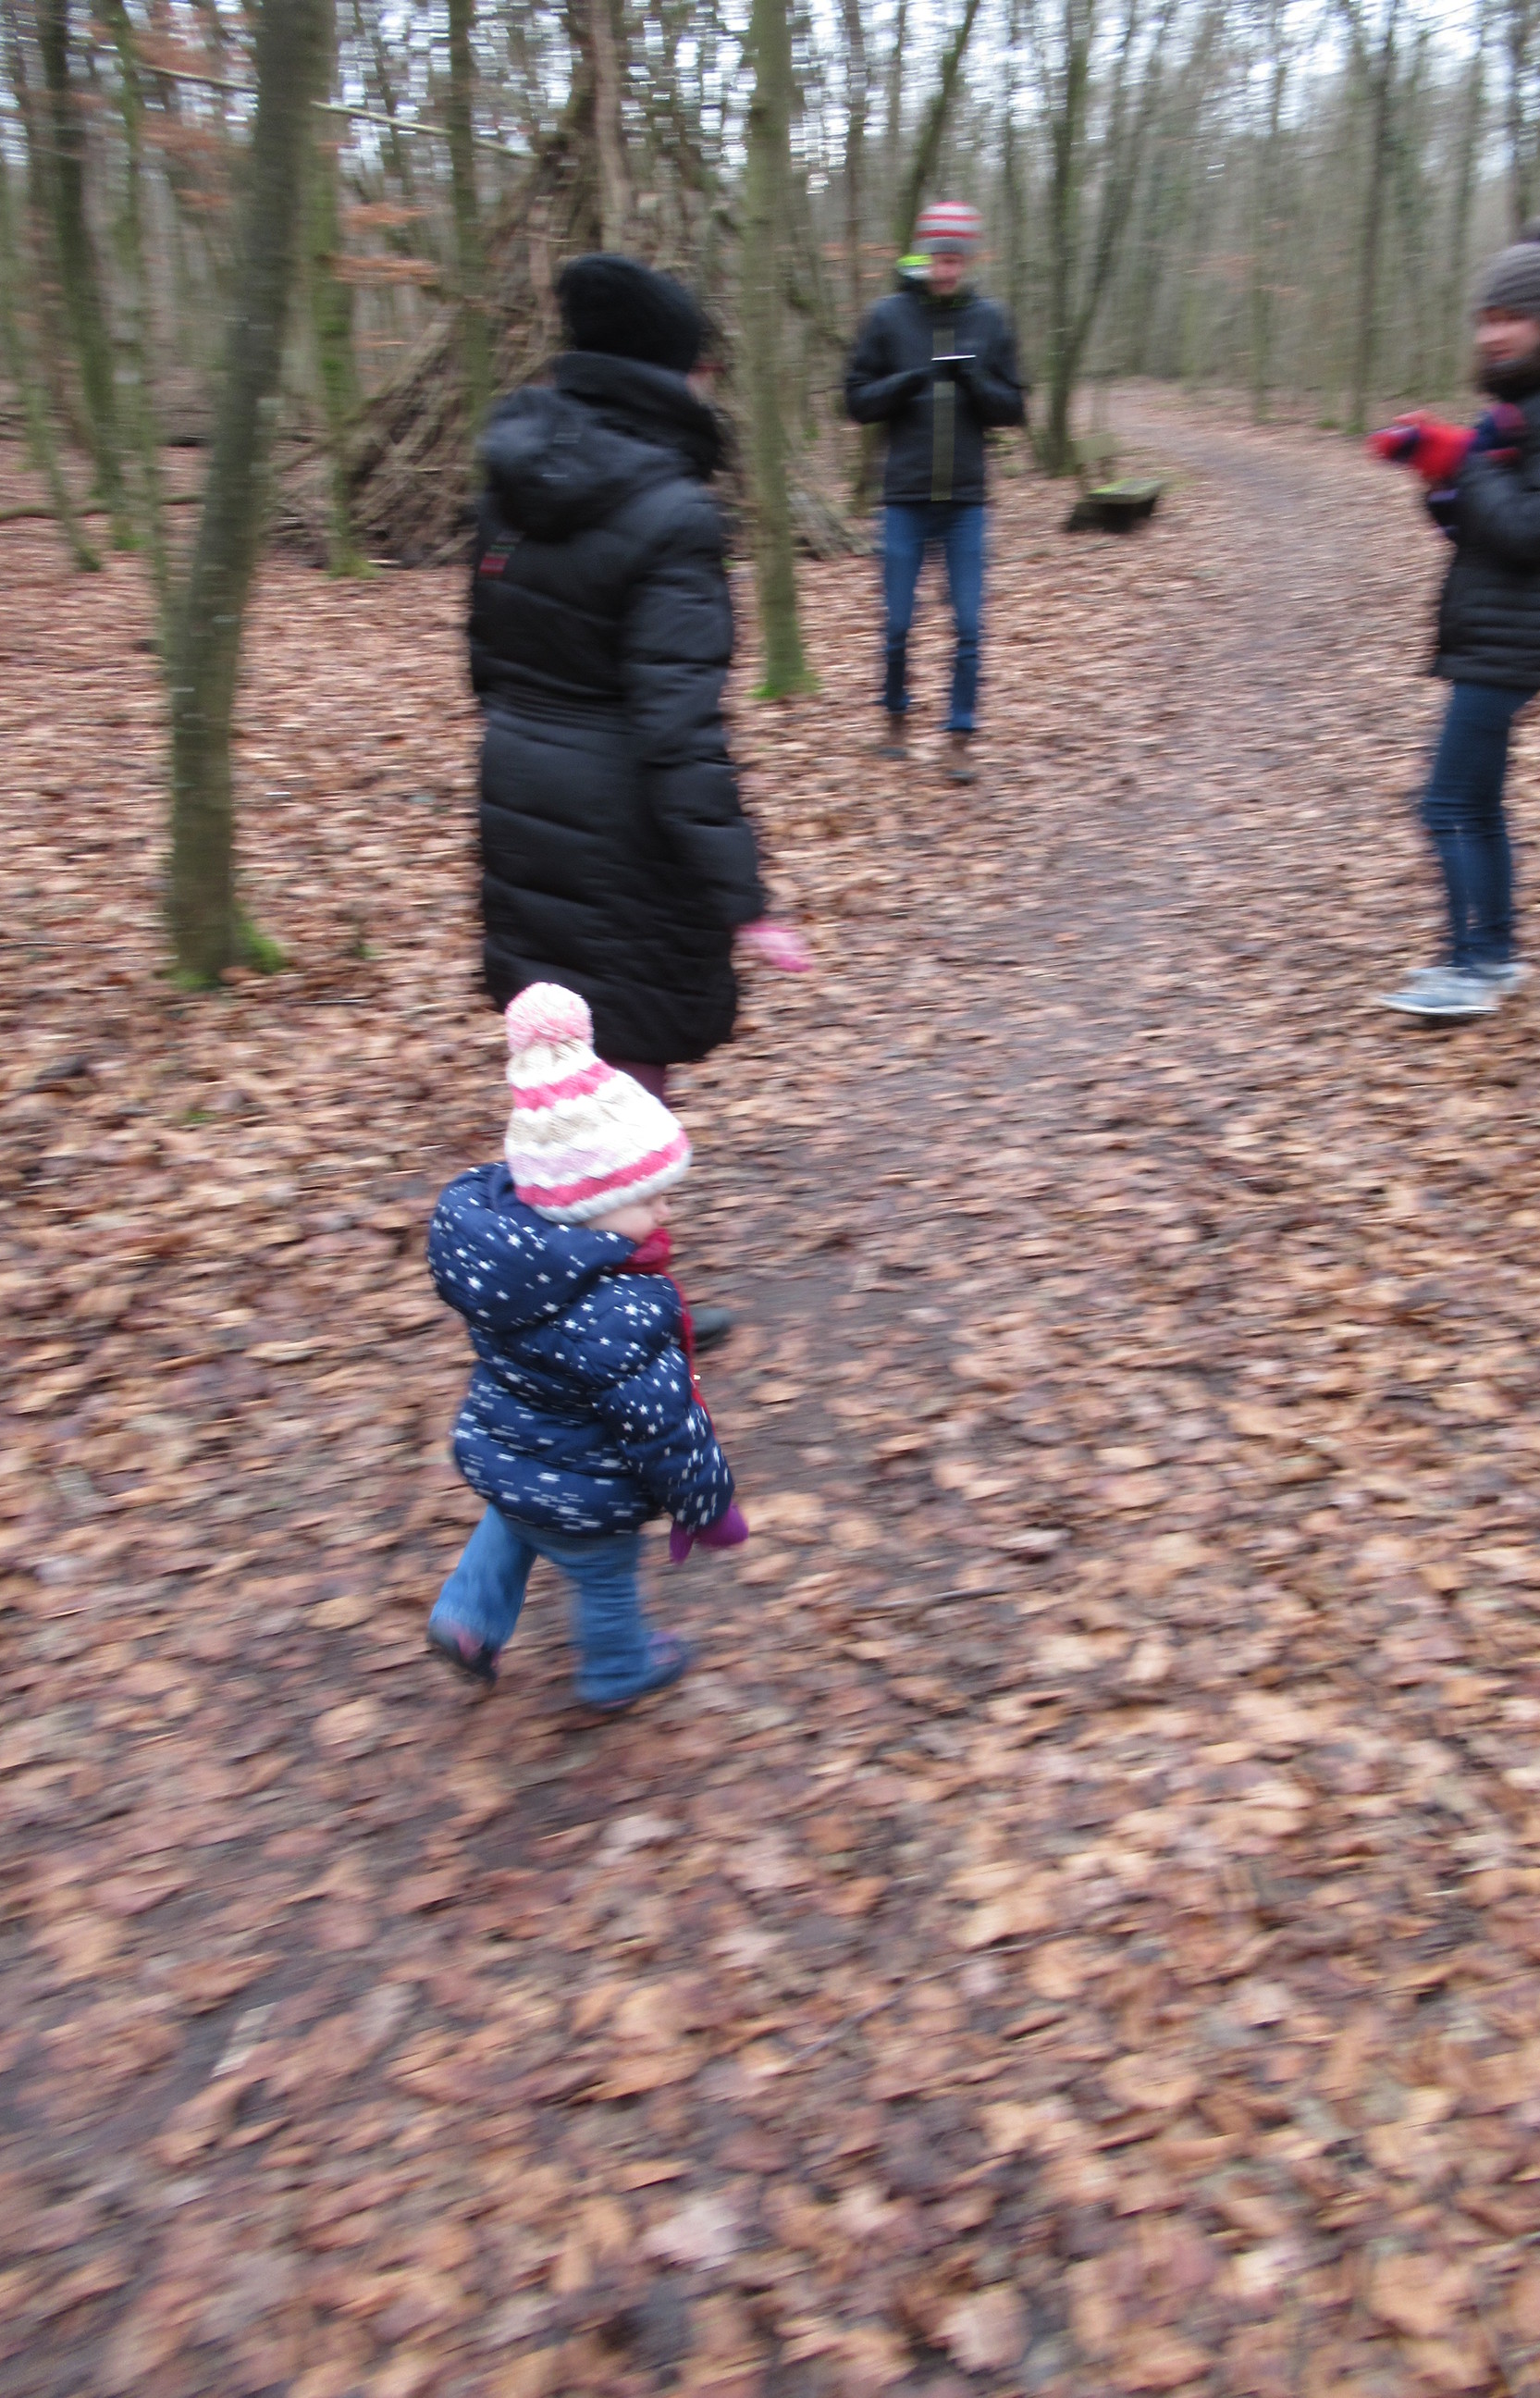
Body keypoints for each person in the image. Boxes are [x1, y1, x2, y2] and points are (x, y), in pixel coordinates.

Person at [470, 253, 810, 1341]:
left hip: (519, 780)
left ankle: (554, 1293)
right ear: (675, 373)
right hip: (620, 818)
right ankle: (609, 1319)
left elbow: (483, 660)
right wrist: (742, 897)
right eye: (703, 364)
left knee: (560, 1062)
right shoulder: (673, 512)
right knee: (624, 1079)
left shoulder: (511, 479)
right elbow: (678, 730)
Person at [425, 983, 748, 1711]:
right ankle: (618, 1668)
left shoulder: (511, 1268)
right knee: (603, 1570)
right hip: (585, 1482)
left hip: (507, 1448)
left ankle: (467, 1620)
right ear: (586, 1210)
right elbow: (664, 1427)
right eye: (649, 1199)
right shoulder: (622, 1308)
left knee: (513, 1520)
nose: (665, 1211)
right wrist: (708, 1506)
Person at [1366, 217, 1540, 1020]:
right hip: (1498, 625)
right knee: (1477, 804)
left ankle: (1469, 966)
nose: (1494, 334)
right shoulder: (1528, 401)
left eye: (1510, 318)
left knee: (1444, 804)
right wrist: (1440, 478)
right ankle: (1496, 955)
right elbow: (1478, 527)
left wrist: (1467, 462)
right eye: (1486, 318)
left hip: (1514, 635)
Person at [844, 201, 1027, 785]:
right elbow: (855, 400)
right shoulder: (888, 316)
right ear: (923, 256)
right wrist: (908, 382)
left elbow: (1014, 407)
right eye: (938, 259)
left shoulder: (989, 319)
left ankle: (959, 739)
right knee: (898, 623)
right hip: (904, 499)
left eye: (956, 259)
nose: (946, 270)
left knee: (970, 626)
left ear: (968, 260)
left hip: (966, 502)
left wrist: (973, 379)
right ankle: (895, 720)